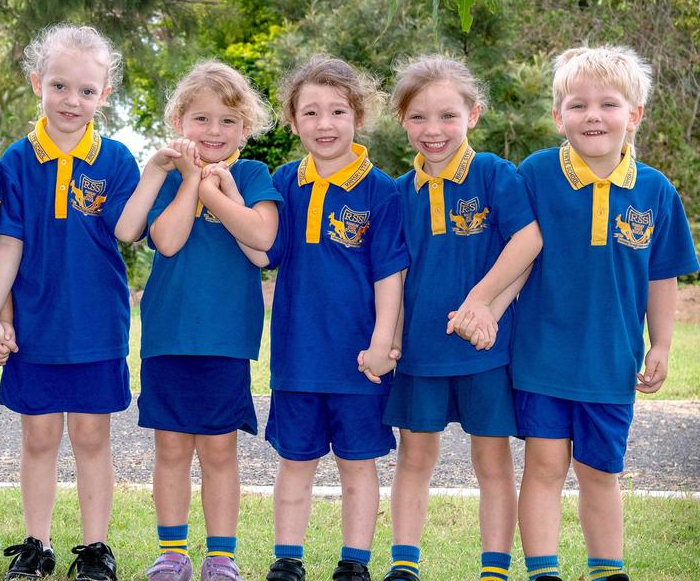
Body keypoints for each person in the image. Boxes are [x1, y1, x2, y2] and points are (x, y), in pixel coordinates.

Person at [511, 46, 698, 581]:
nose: (593, 115)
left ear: (634, 115)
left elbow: (664, 276)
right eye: (578, 105)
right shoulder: (536, 174)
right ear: (558, 116)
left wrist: (660, 345)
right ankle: (543, 571)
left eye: (609, 104)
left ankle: (607, 570)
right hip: (542, 358)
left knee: (600, 471)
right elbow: (514, 257)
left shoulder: (656, 190)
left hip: (611, 362)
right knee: (544, 468)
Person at [0, 24, 139, 581]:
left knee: (93, 438)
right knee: (40, 437)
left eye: (87, 91)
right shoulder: (16, 162)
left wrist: (164, 169)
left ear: (104, 95)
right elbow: (8, 240)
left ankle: (95, 548)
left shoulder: (117, 160)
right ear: (36, 84)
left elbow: (127, 229)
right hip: (36, 326)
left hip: (97, 324)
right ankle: (36, 544)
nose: (73, 100)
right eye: (60, 86)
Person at [114, 60, 280, 581]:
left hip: (227, 340)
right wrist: (188, 180)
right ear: (179, 122)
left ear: (245, 129)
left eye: (228, 121)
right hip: (169, 336)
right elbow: (164, 239)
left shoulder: (253, 176)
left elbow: (261, 246)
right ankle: (172, 552)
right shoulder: (167, 174)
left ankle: (222, 557)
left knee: (219, 449)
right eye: (202, 120)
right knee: (169, 447)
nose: (214, 131)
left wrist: (217, 189)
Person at [382, 55, 541, 581]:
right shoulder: (395, 194)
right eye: (419, 117)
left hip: (485, 349)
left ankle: (494, 568)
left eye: (448, 116)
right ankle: (404, 564)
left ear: (473, 114)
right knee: (414, 458)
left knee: (492, 463)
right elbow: (393, 276)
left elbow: (528, 241)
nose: (434, 130)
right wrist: (390, 338)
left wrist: (482, 304)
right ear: (401, 120)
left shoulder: (496, 174)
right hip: (419, 352)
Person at [263, 55, 408, 581]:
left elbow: (389, 275)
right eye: (311, 113)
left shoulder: (382, 191)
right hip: (298, 356)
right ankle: (287, 559)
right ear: (294, 121)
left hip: (358, 359)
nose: (325, 124)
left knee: (357, 464)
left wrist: (382, 340)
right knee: (294, 463)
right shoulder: (282, 181)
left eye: (338, 112)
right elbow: (264, 250)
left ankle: (354, 562)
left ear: (359, 117)